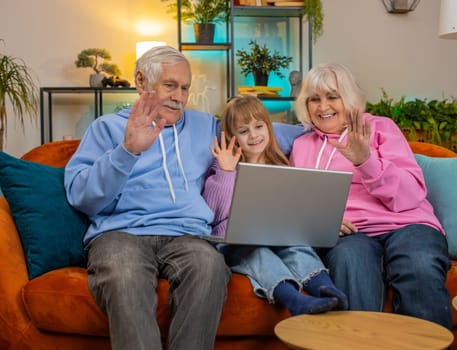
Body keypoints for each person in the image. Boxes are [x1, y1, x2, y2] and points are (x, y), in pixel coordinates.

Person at [64, 46, 232, 350]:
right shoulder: (106, 128)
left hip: (188, 235)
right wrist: (127, 150)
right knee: (123, 272)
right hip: (120, 234)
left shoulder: (205, 126)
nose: (179, 97)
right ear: (142, 81)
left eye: (185, 88)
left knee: (209, 266)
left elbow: (264, 131)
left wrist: (324, 132)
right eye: (170, 85)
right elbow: (81, 197)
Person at [289, 63, 452, 329]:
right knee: (349, 262)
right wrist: (322, 221)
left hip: (408, 224)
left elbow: (411, 195)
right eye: (314, 99)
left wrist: (365, 160)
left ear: (349, 98)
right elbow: (299, 201)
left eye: (333, 96)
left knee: (419, 265)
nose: (322, 106)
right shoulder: (302, 146)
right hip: (351, 234)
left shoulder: (380, 128)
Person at [203, 95, 348, 316]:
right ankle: (294, 300)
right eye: (243, 131)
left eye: (258, 126)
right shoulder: (222, 166)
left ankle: (327, 289)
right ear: (232, 138)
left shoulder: (279, 163)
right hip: (233, 242)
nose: (253, 136)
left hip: (275, 234)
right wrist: (225, 172)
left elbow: (294, 208)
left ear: (268, 128)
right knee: (259, 253)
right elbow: (213, 212)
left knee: (296, 247)